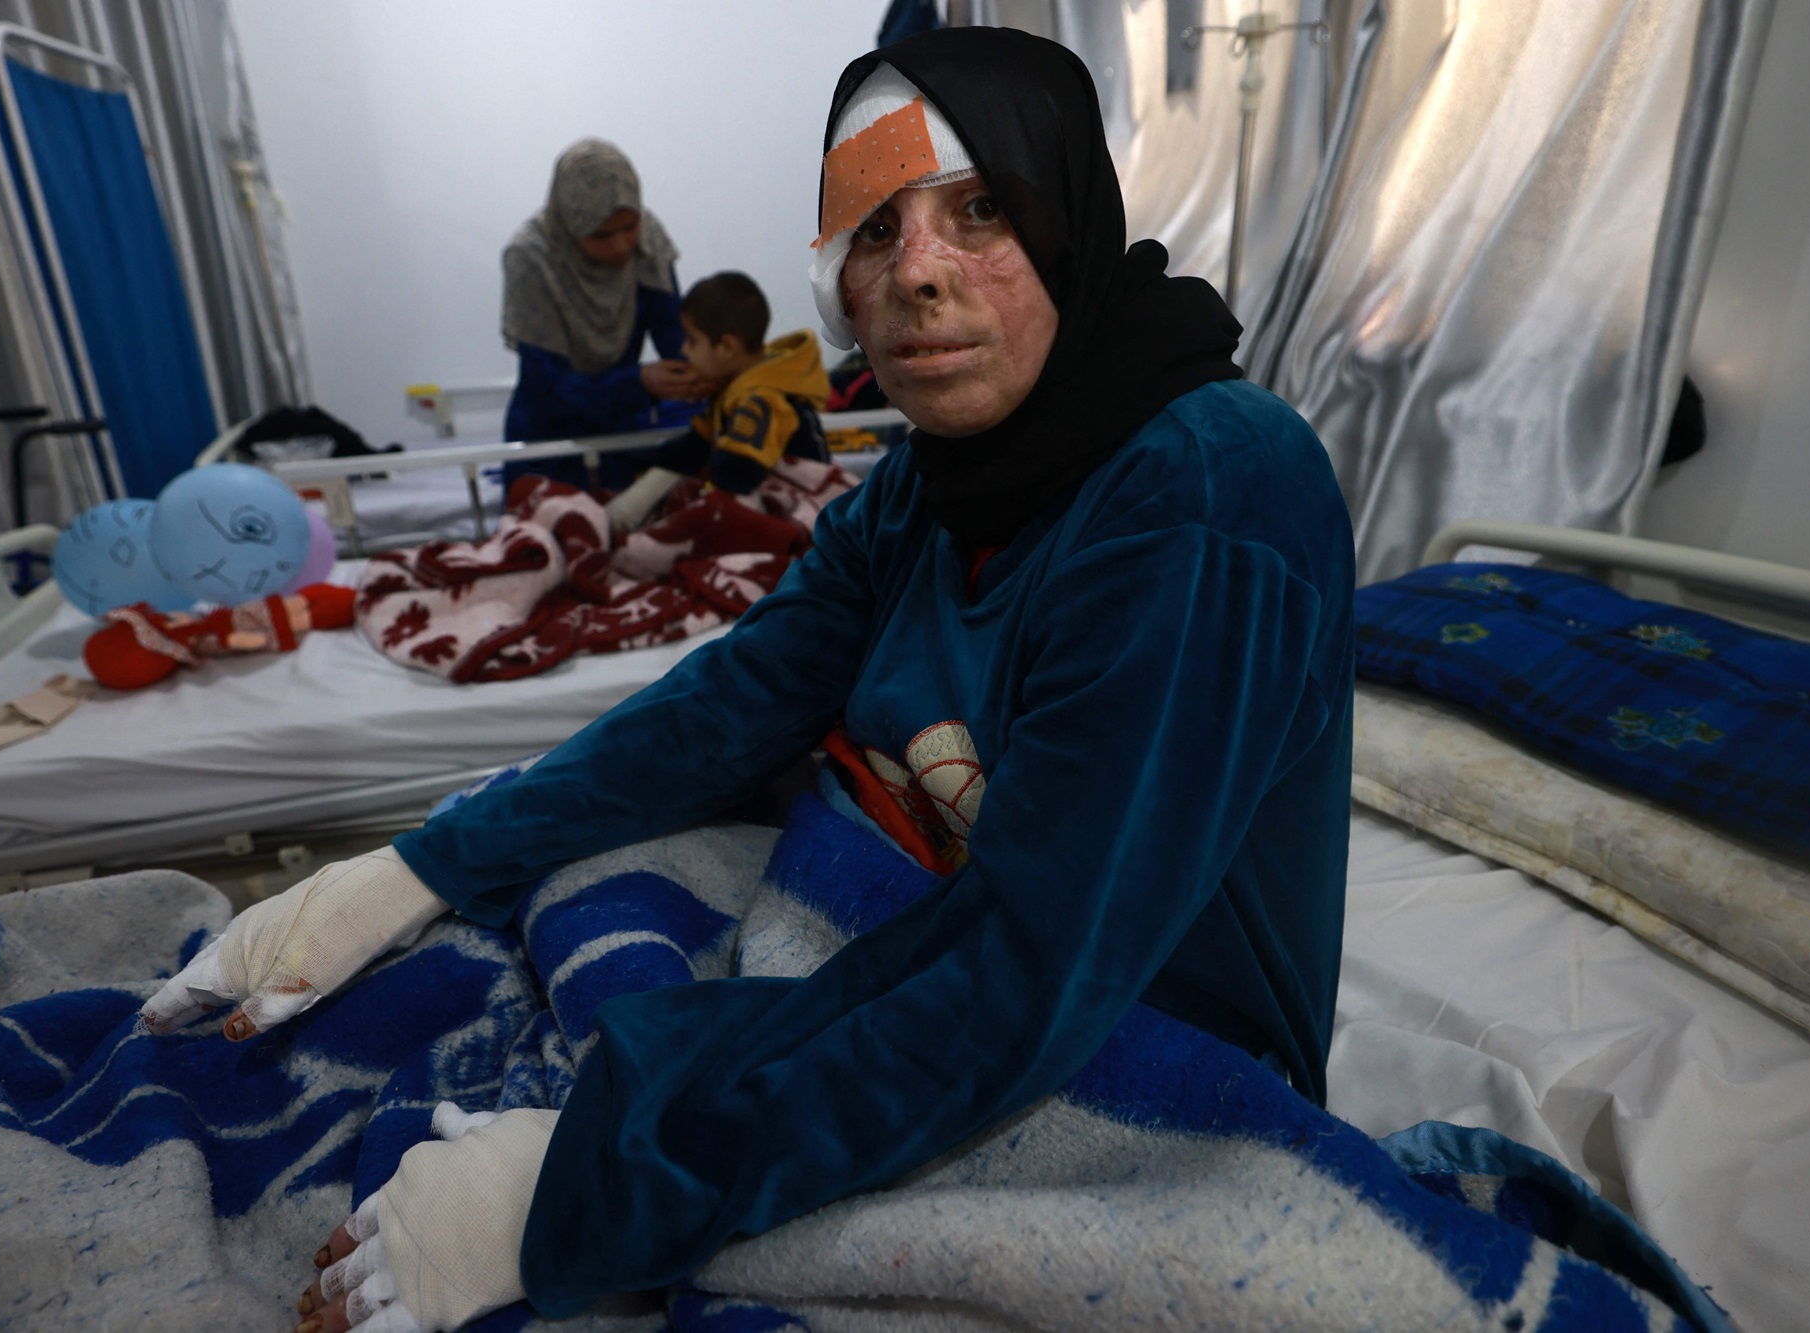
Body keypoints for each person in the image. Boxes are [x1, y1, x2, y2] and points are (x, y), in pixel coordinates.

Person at [144, 27, 1355, 1333]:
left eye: (982, 210)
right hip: (944, 957)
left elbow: (1030, 971)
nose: (920, 277)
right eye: (874, 231)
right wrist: (417, 869)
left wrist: (595, 1171)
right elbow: (732, 702)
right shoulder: (917, 493)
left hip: (1139, 1059)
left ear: (1072, 221)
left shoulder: (1207, 490)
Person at [500, 138, 708, 488]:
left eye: (629, 228)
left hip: (621, 432)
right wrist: (638, 382)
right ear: (571, 223)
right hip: (548, 441)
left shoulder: (648, 235)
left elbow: (677, 337)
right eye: (601, 235)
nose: (621, 246)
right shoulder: (531, 257)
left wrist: (707, 375)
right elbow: (546, 389)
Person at [603, 271, 832, 531]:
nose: (683, 351)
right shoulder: (735, 392)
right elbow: (696, 445)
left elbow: (736, 475)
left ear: (727, 347)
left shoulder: (761, 400)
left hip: (803, 515)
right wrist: (644, 459)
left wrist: (691, 516)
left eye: (692, 341)